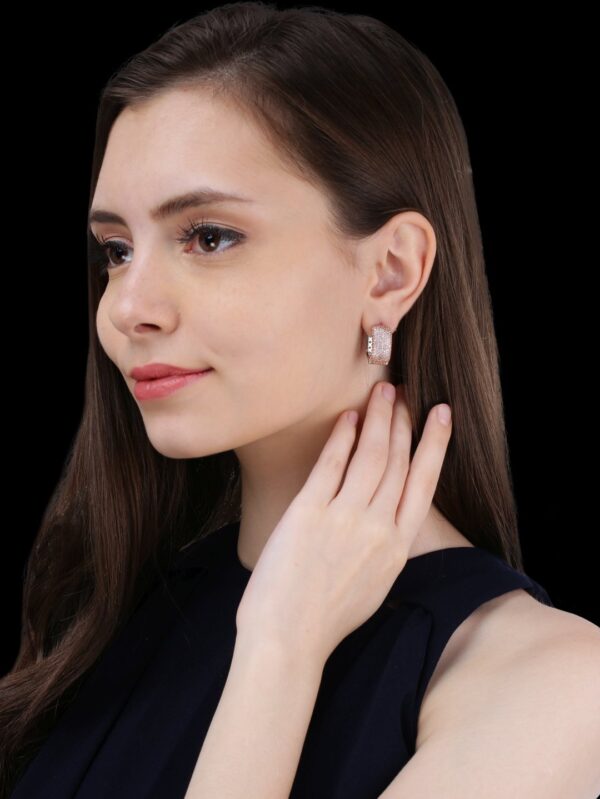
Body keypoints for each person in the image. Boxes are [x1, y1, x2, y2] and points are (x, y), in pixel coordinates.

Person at [3, 3, 600, 798]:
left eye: (208, 236)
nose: (126, 307)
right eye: (116, 249)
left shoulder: (553, 686)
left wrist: (280, 652)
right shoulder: (119, 618)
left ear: (390, 271)